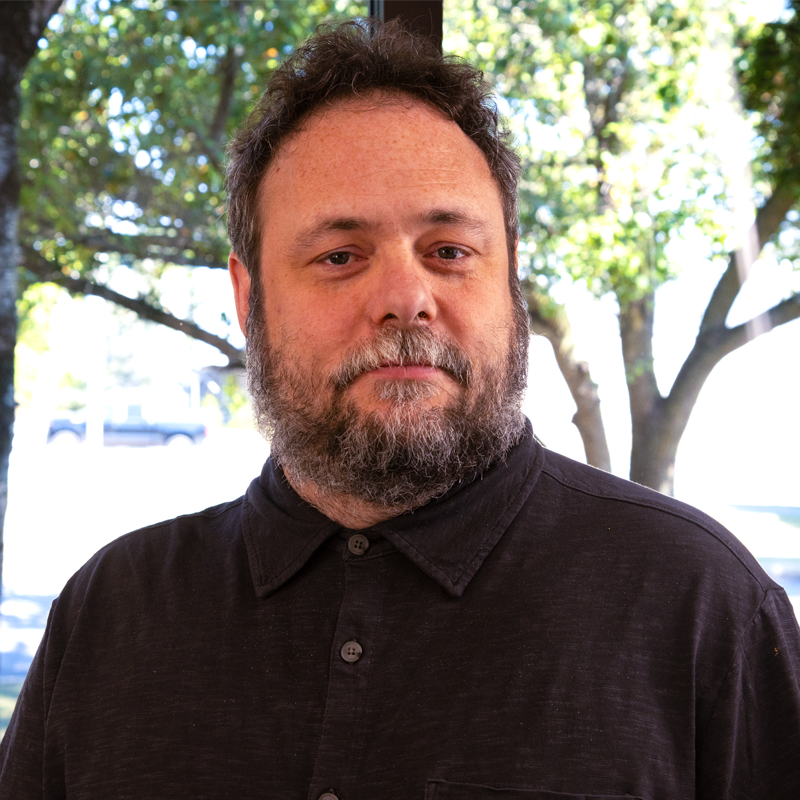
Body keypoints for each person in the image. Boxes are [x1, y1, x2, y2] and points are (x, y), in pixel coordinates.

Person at [2, 19, 799, 800]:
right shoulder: (110, 615)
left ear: (510, 281)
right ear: (249, 298)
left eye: (449, 251)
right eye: (340, 256)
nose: (406, 299)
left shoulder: (703, 608)